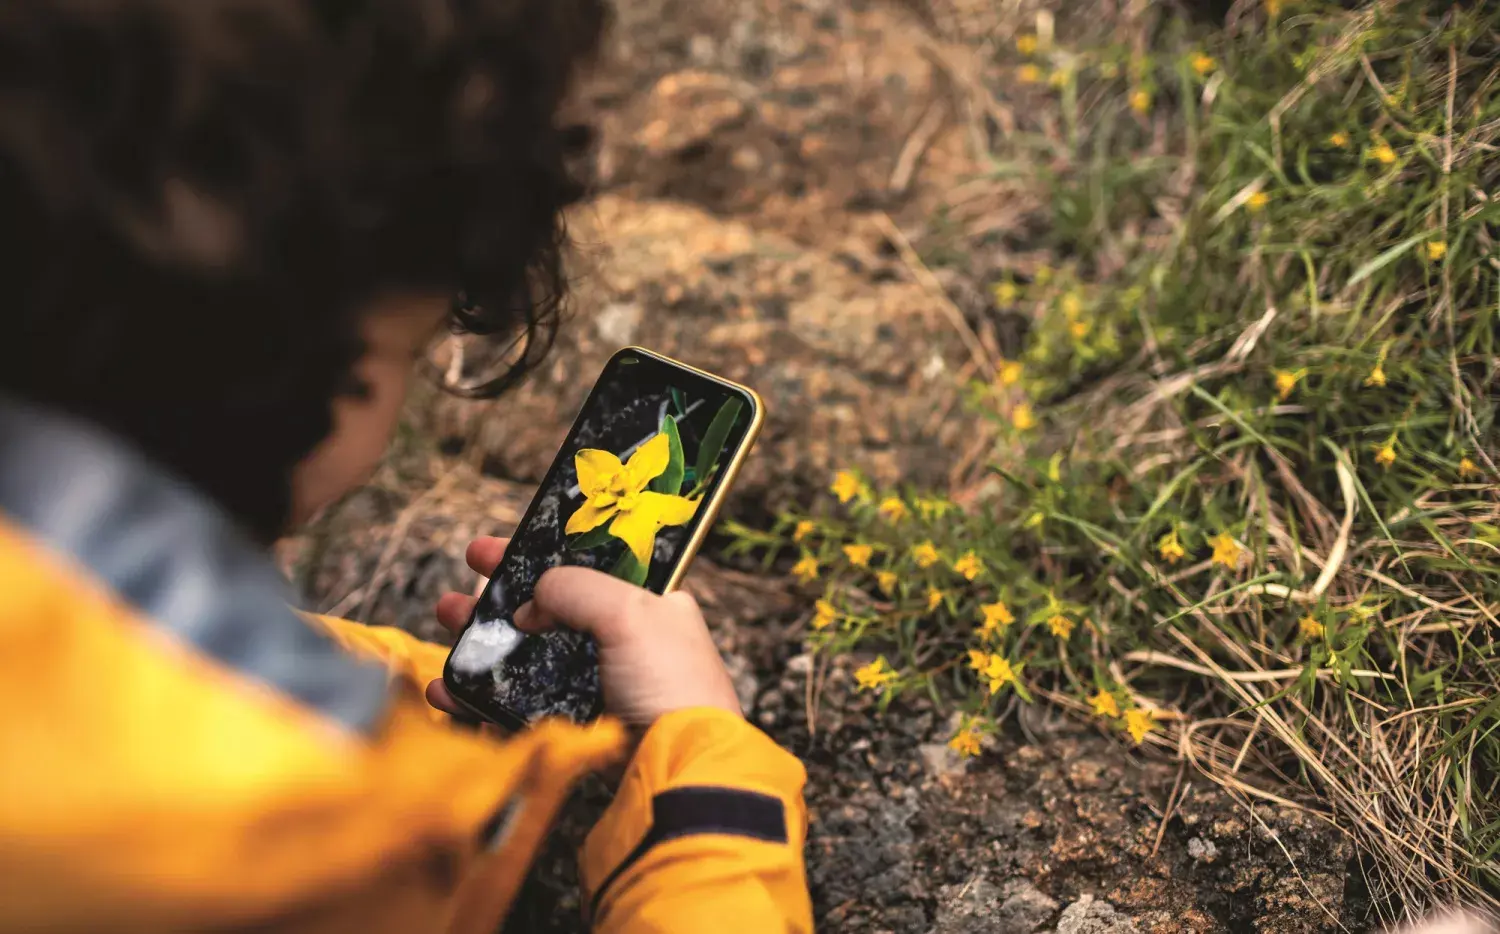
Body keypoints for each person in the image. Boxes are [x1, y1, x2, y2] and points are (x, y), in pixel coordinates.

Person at [0, 2, 812, 932]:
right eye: (411, 354)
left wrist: (395, 700)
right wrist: (708, 774)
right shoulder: (255, 851)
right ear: (294, 359)